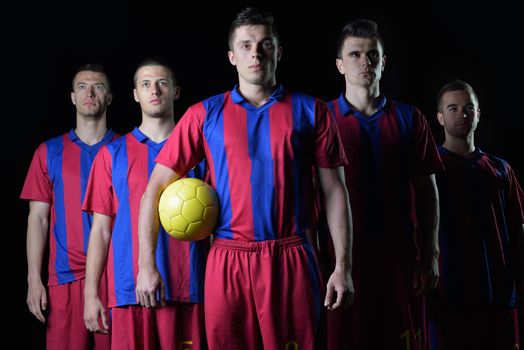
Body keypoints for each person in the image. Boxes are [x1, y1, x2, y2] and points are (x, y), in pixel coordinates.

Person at [137, 7, 354, 350]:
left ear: (279, 52)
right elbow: (154, 190)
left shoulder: (312, 110)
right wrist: (146, 266)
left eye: (265, 45)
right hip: (227, 259)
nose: (256, 53)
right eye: (246, 45)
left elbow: (334, 192)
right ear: (232, 56)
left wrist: (343, 266)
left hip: (291, 256)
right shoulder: (203, 114)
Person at [320, 19, 442, 350]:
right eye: (355, 54)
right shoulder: (321, 119)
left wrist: (430, 254)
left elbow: (427, 193)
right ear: (340, 64)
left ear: (384, 61)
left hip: (399, 257)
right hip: (342, 259)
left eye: (372, 55)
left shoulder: (410, 118)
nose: (365, 62)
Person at [82, 57, 208, 349]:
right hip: (129, 290)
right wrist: (91, 294)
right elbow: (100, 230)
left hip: (189, 288)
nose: (155, 90)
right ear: (135, 94)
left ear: (176, 91)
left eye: (163, 83)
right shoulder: (111, 154)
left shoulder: (201, 151)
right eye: (146, 84)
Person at [20, 63, 116, 349]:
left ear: (109, 97)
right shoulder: (48, 151)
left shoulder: (124, 149)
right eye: (82, 87)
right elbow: (38, 220)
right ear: (73, 97)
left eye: (98, 86)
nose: (89, 92)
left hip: (113, 278)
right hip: (64, 279)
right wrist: (34, 279)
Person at [428, 79, 523, 350]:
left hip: (498, 295)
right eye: (453, 108)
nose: (462, 114)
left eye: (469, 108)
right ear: (440, 117)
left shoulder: (499, 169)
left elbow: (518, 228)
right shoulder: (429, 170)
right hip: (449, 298)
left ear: (479, 114)